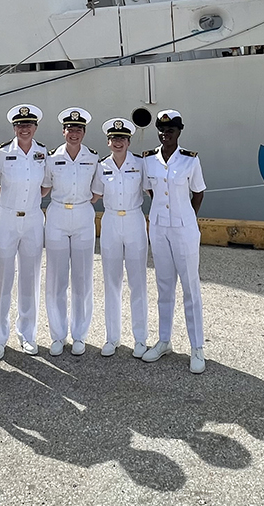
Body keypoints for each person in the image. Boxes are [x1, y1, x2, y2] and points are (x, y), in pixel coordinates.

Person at [141, 109, 208, 374]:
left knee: (190, 288)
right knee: (164, 286)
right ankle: (164, 341)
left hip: (184, 229)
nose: (165, 134)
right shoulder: (149, 160)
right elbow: (150, 190)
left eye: (170, 130)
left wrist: (185, 216)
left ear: (179, 132)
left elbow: (198, 192)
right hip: (158, 228)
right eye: (161, 130)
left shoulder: (190, 161)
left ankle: (197, 347)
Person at [0, 103, 48, 360]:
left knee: (30, 278)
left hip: (33, 219)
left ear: (35, 127)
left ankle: (27, 334)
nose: (25, 129)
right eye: (20, 125)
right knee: (0, 280)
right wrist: (10, 197)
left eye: (29, 125)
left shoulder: (43, 153)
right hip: (6, 219)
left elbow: (45, 187)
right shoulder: (1, 154)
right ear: (14, 128)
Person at [42, 107, 99, 355]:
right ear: (63, 131)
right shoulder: (51, 158)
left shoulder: (94, 158)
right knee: (56, 278)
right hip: (56, 216)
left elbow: (97, 193)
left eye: (78, 129)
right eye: (70, 129)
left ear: (84, 132)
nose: (73, 133)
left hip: (83, 216)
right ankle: (57, 335)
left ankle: (80, 335)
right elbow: (43, 188)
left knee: (83, 278)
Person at [93, 116, 149, 358]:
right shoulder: (101, 166)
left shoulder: (141, 164)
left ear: (129, 141)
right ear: (108, 142)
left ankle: (140, 338)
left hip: (135, 220)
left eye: (123, 139)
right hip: (111, 221)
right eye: (114, 139)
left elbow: (152, 190)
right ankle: (112, 337)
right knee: (111, 281)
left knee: (138, 282)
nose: (118, 142)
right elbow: (93, 196)